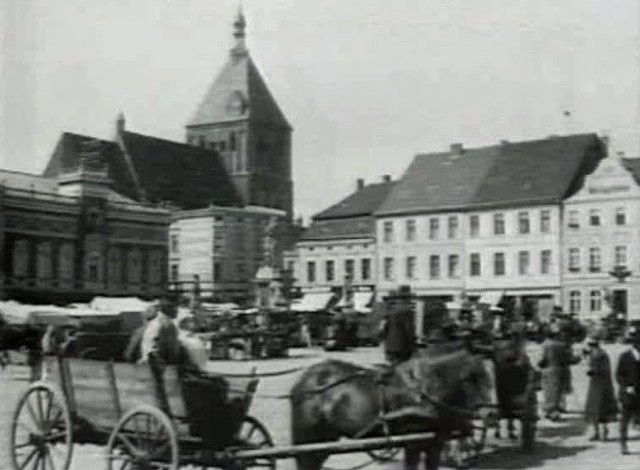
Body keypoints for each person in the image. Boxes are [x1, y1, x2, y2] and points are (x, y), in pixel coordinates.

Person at [538, 329, 580, 421]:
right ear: (556, 335)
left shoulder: (543, 345)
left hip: (546, 372)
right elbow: (569, 359)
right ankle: (554, 413)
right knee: (556, 392)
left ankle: (548, 411)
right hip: (557, 371)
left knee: (547, 392)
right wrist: (579, 358)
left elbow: (540, 361)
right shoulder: (561, 345)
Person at [583, 335, 617, 441]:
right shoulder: (599, 354)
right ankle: (600, 432)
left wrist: (591, 371)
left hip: (599, 384)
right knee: (599, 409)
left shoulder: (598, 355)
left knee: (598, 408)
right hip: (601, 384)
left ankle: (601, 432)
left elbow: (597, 369)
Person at [615, 326, 640, 455]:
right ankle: (623, 444)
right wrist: (626, 386)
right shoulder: (625, 357)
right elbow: (619, 375)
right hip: (628, 395)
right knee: (624, 419)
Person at [382, 286, 416, 365]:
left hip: (390, 346)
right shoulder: (407, 310)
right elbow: (409, 329)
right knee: (404, 368)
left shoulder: (391, 310)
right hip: (402, 346)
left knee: (394, 367)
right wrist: (413, 343)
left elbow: (385, 328)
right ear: (407, 298)